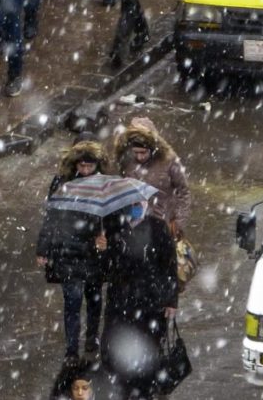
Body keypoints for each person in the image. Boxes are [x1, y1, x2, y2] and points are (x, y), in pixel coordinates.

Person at [97, 203, 178, 399]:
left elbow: (169, 266)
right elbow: (105, 271)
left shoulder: (158, 227)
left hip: (150, 301)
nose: (136, 207)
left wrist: (171, 300)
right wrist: (103, 250)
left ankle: (146, 388)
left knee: (149, 346)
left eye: (140, 203)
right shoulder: (113, 228)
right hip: (121, 301)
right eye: (132, 204)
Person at [37, 140, 108, 360]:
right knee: (72, 302)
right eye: (82, 166)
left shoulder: (105, 185)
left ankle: (92, 337)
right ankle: (71, 349)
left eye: (90, 166)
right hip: (67, 250)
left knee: (94, 298)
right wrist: (43, 249)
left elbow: (114, 217)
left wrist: (106, 236)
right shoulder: (62, 183)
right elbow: (51, 217)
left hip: (94, 252)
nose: (85, 171)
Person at [113, 117, 192, 236]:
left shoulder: (169, 160)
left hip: (162, 220)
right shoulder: (126, 159)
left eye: (143, 153)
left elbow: (184, 191)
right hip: (135, 221)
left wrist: (178, 222)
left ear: (152, 148)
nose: (139, 157)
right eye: (136, 152)